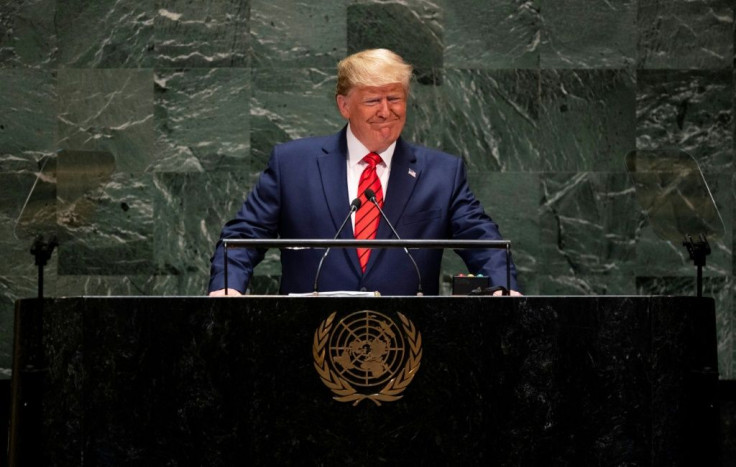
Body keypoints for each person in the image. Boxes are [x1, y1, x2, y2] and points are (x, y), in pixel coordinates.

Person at [208, 48, 520, 296]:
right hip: (307, 345)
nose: (386, 111)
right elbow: (242, 237)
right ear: (344, 105)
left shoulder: (441, 173)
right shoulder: (292, 165)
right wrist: (228, 286)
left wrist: (503, 287)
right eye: (373, 100)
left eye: (394, 98)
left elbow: (483, 241)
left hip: (406, 347)